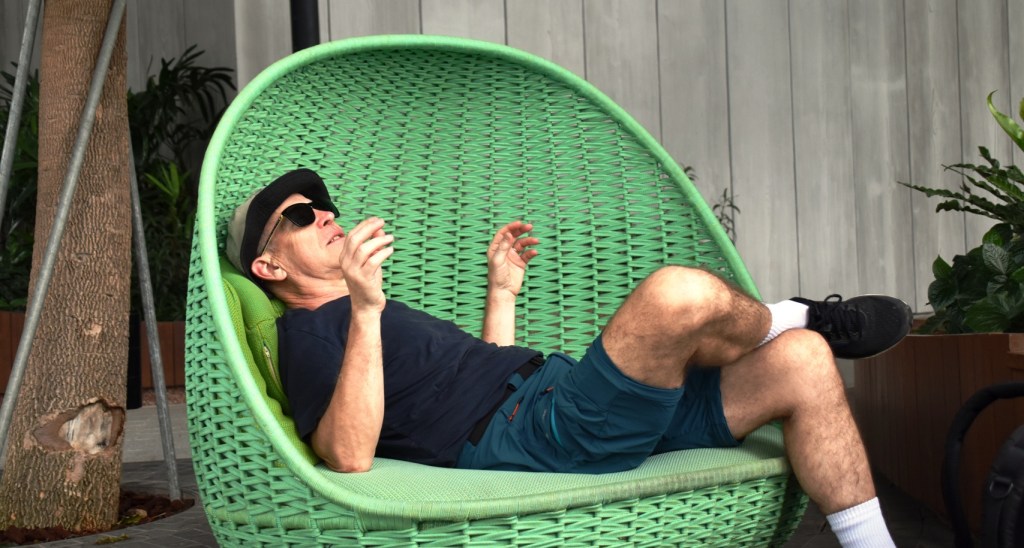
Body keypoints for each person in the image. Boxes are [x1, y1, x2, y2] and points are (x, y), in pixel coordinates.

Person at [226, 168, 912, 547]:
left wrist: (501, 293)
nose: (325, 214)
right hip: (546, 430)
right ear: (268, 267)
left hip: (556, 401)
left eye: (323, 205)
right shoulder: (308, 337)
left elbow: (484, 375)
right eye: (300, 216)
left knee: (804, 362)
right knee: (675, 294)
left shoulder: (370, 311)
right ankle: (795, 311)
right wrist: (365, 309)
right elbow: (347, 455)